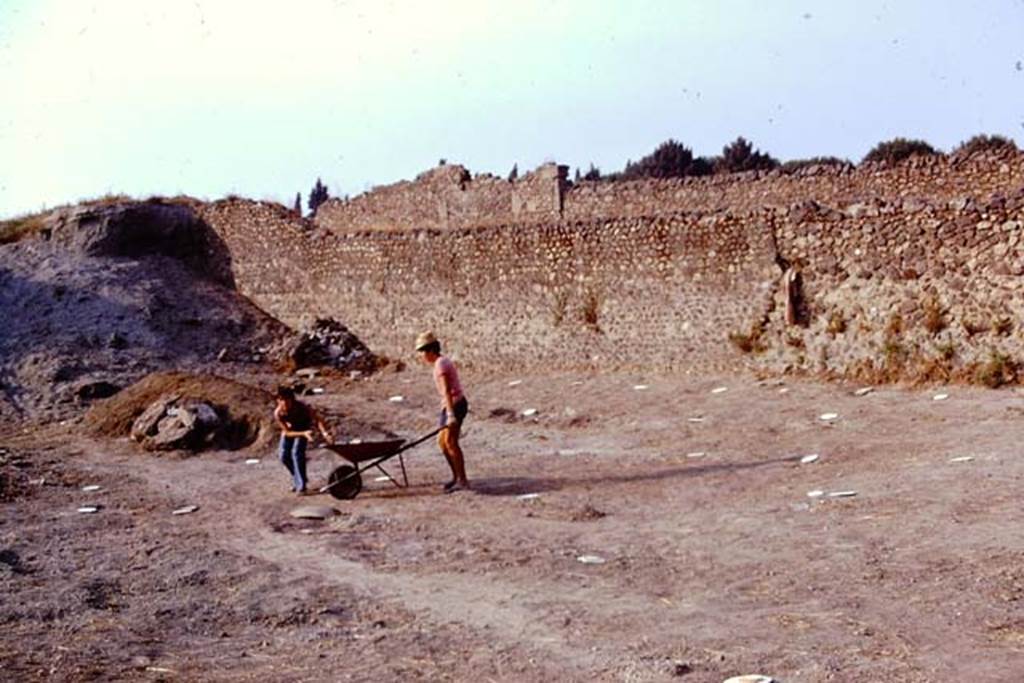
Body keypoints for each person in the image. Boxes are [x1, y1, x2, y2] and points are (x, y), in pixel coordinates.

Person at [415, 331, 470, 493]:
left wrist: (451, 415)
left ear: (431, 350)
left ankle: (463, 481)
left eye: (423, 352)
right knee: (442, 442)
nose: (422, 356)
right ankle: (456, 476)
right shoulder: (441, 363)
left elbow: (447, 390)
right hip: (449, 406)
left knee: (451, 442)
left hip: (455, 405)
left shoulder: (441, 364)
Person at [273, 385, 333, 495]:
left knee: (296, 453)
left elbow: (317, 419)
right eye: (281, 400)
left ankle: (301, 487)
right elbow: (287, 432)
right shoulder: (278, 413)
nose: (284, 403)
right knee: (283, 456)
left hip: (303, 428)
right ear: (278, 401)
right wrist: (302, 434)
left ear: (291, 399)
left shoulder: (302, 407)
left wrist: (324, 433)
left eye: (287, 400)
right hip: (292, 432)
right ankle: (298, 478)